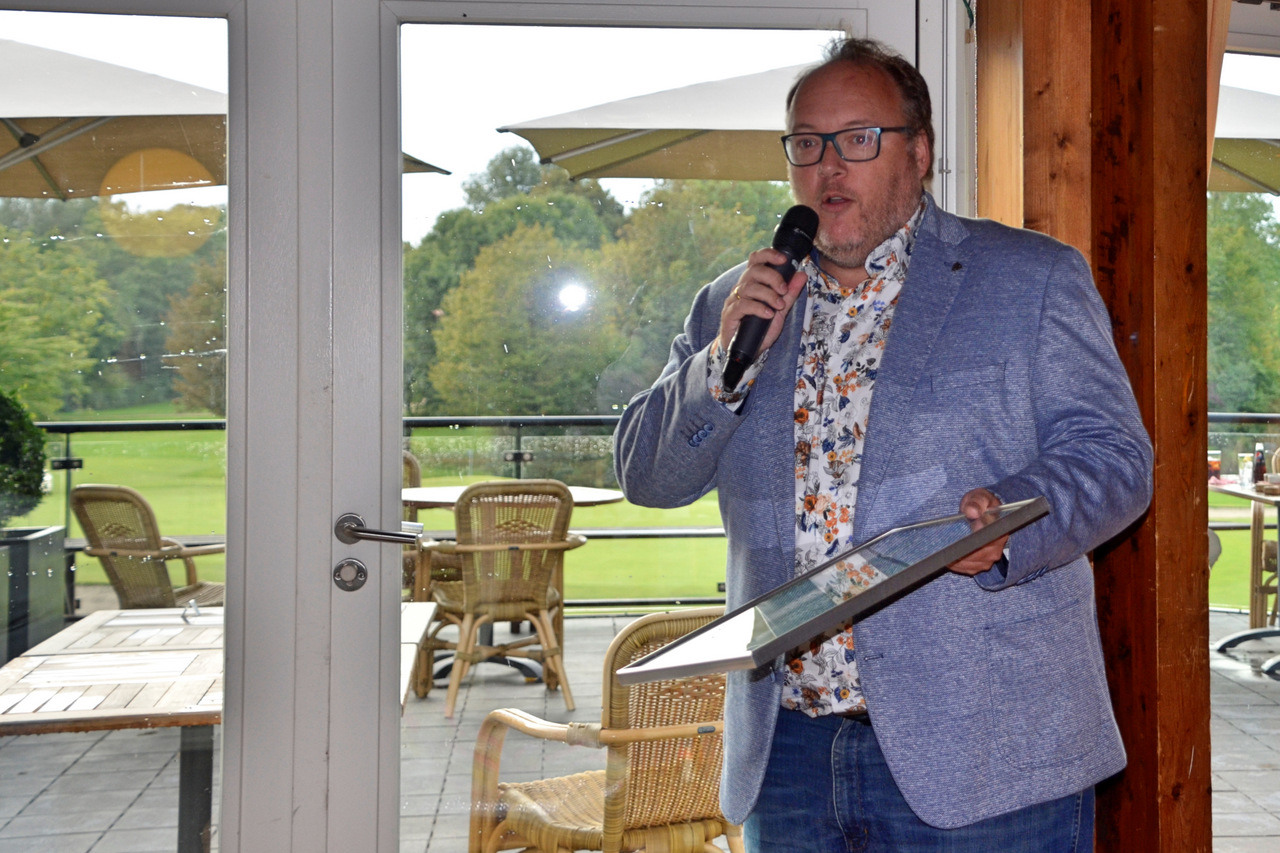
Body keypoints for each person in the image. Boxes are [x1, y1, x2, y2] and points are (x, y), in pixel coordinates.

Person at [613, 36, 1153, 852]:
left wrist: (1013, 521)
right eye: (807, 143)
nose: (829, 166)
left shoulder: (1032, 277)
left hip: (986, 749)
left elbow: (1115, 457)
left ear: (920, 153)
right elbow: (648, 476)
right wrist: (721, 364)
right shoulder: (735, 302)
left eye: (858, 139)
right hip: (788, 755)